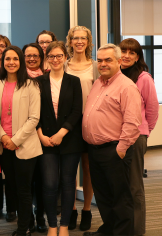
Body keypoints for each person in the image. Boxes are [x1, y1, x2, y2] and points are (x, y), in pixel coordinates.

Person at [82, 43, 142, 236]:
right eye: (99, 60)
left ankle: (122, 233)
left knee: (120, 198)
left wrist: (121, 149)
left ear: (118, 61)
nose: (103, 64)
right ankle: (109, 230)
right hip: (95, 150)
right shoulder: (99, 82)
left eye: (108, 60)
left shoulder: (127, 87)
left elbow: (132, 122)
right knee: (103, 196)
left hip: (114, 150)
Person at [0, 46, 42, 236]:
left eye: (15, 59)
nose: (11, 62)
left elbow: (34, 118)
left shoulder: (32, 85)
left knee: (24, 189)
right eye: (7, 59)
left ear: (20, 62)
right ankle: (28, 221)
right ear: (3, 62)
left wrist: (15, 140)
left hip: (25, 146)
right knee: (12, 187)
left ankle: (23, 229)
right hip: (5, 146)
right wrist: (4, 137)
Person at [36, 41, 83, 236]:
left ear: (65, 58)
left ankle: (64, 225)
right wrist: (41, 136)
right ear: (47, 59)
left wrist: (62, 133)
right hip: (45, 140)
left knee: (68, 182)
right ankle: (52, 225)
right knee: (49, 184)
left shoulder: (74, 81)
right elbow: (34, 112)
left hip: (69, 139)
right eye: (51, 56)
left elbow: (76, 111)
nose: (55, 60)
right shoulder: (38, 82)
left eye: (59, 56)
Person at [119, 38, 159, 236]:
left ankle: (137, 231)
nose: (126, 56)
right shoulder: (114, 75)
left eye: (131, 53)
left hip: (136, 137)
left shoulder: (143, 78)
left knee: (135, 187)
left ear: (137, 57)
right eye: (123, 51)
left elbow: (152, 110)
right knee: (120, 186)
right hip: (116, 137)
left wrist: (144, 132)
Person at [63, 25, 99, 231]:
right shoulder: (63, 65)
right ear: (70, 41)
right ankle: (72, 211)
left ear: (88, 41)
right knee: (68, 171)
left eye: (83, 38)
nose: (79, 41)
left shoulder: (95, 66)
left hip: (89, 123)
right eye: (75, 38)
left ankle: (86, 210)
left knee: (87, 168)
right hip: (68, 125)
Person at [21, 42, 47, 233]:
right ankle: (27, 217)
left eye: (35, 56)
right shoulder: (19, 78)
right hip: (25, 136)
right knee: (26, 183)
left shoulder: (47, 77)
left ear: (40, 57)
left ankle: (40, 217)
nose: (31, 58)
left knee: (42, 181)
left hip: (45, 136)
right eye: (28, 55)